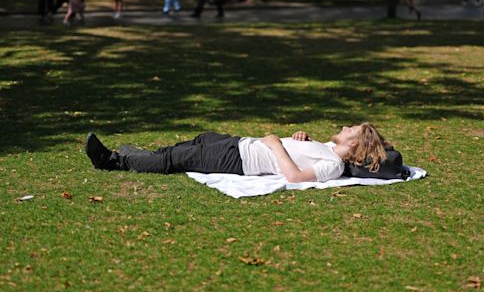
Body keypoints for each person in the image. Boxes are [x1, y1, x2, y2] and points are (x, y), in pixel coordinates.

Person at [85, 123, 390, 183]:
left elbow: (295, 177)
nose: (347, 126)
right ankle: (140, 156)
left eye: (353, 129)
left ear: (354, 145)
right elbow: (301, 155)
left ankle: (112, 161)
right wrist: (299, 139)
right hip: (241, 144)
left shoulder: (333, 165)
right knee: (194, 142)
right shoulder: (325, 148)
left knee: (175, 160)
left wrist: (276, 145)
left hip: (239, 160)